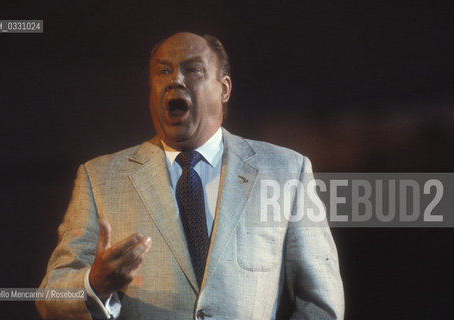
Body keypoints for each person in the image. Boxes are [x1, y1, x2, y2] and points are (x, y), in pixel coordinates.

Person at [37, 32, 344, 320]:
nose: (175, 80)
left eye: (192, 70)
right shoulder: (99, 178)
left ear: (224, 89)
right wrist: (95, 284)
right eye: (163, 72)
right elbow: (52, 294)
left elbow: (320, 302)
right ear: (151, 92)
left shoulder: (286, 171)